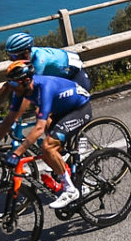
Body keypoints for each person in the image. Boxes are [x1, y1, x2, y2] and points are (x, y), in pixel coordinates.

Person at [6, 61, 92, 209]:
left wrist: (17, 153)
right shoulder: (22, 90)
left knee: (48, 146)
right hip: (63, 110)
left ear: (26, 81)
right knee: (48, 145)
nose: (12, 88)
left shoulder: (44, 88)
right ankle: (75, 179)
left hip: (80, 108)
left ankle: (71, 190)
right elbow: (10, 117)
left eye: (14, 84)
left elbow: (38, 128)